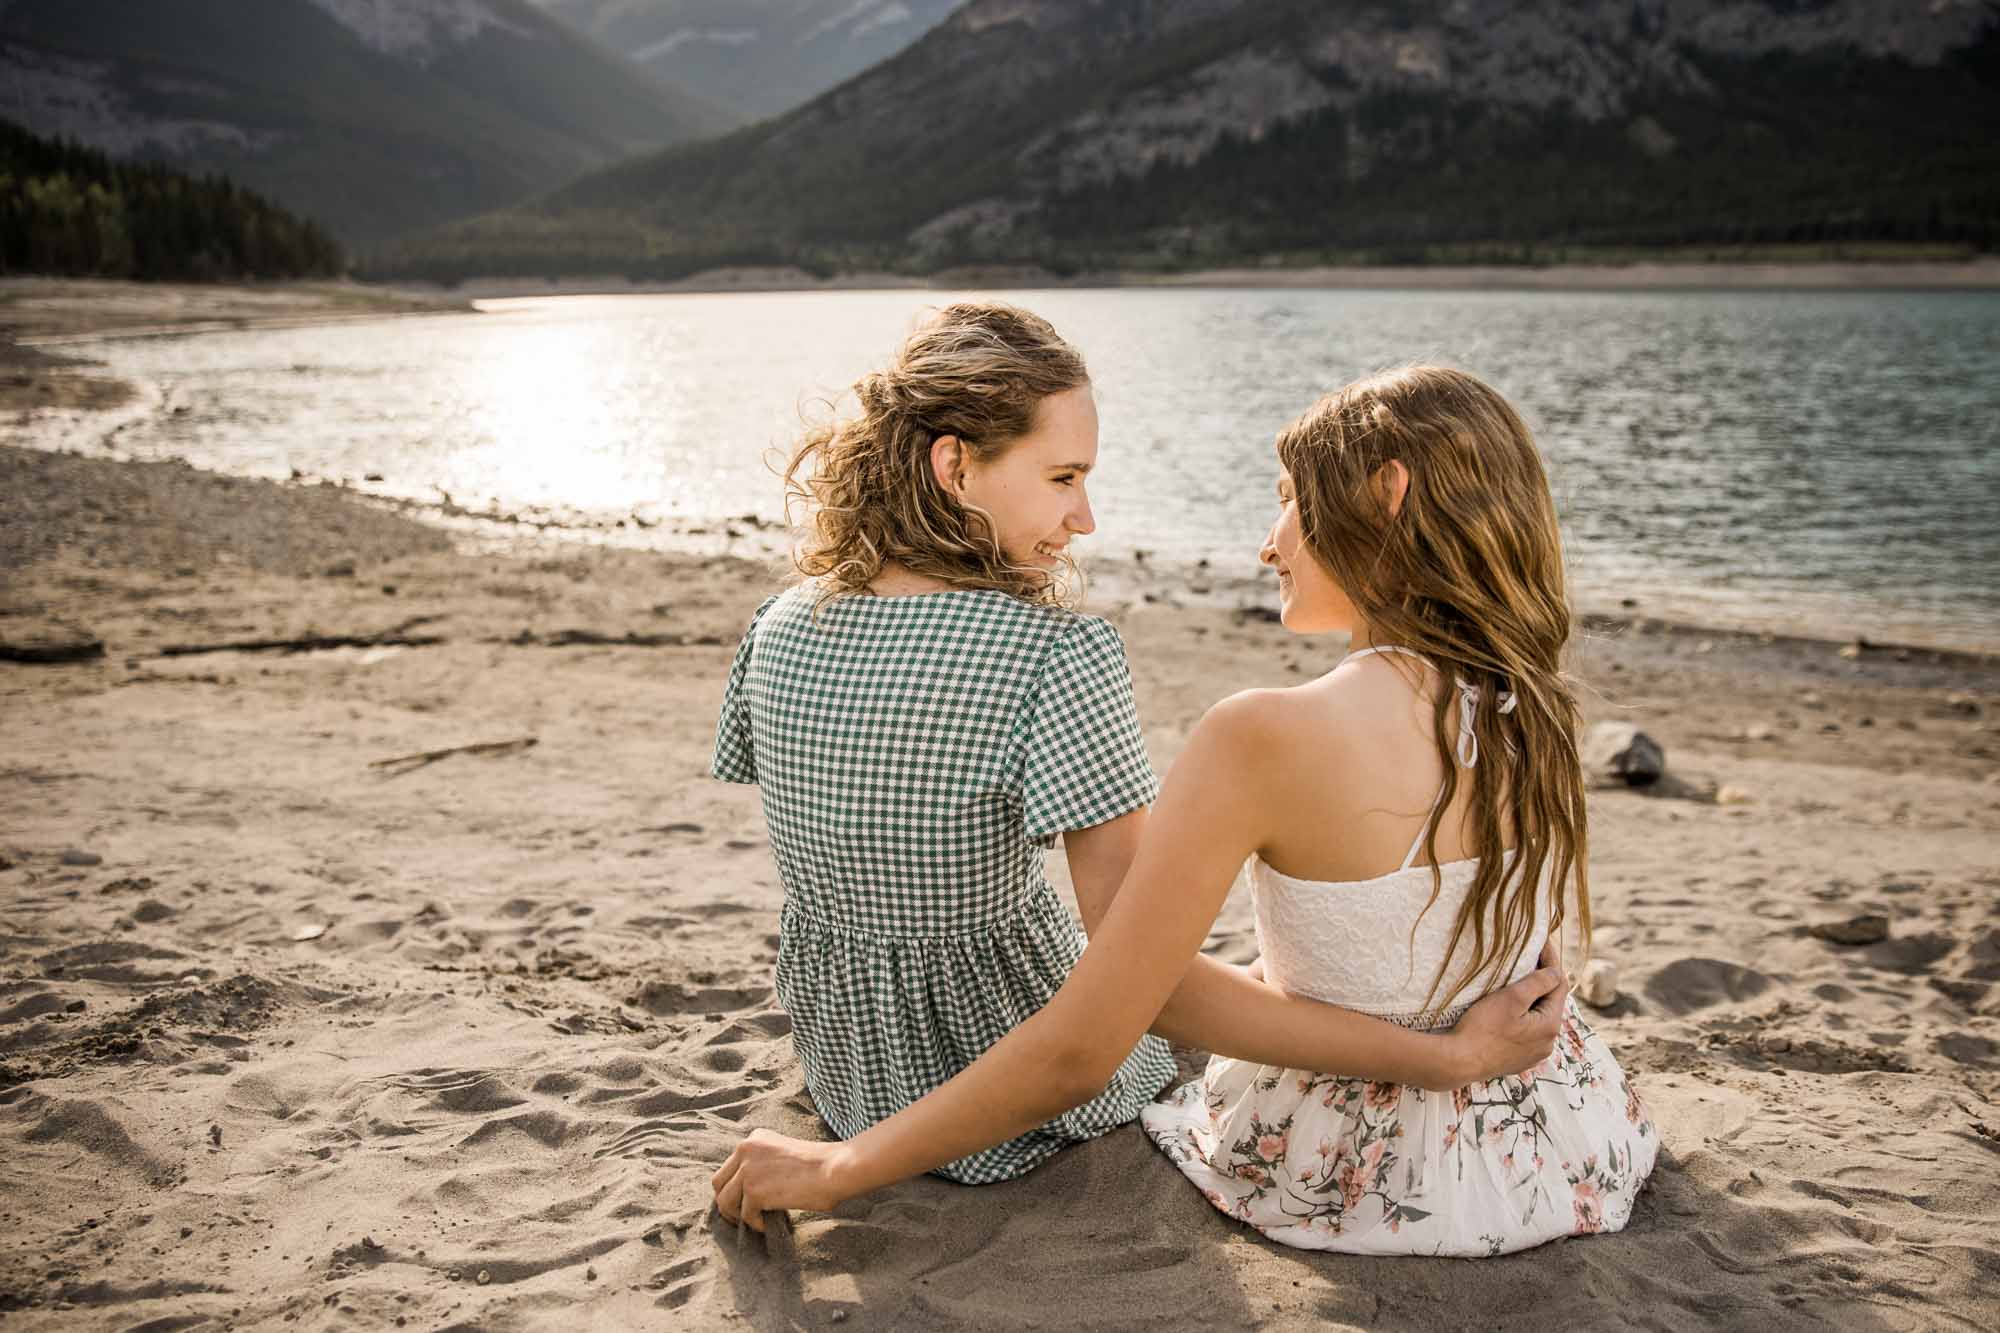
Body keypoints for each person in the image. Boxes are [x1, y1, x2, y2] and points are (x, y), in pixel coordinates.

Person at [712, 363, 1654, 1255]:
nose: (1269, 539)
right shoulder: (1537, 703)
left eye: (1288, 498)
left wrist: (840, 1167)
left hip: (1353, 1171)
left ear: (1386, 494)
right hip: (1563, 1136)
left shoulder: (1262, 734)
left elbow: (1103, 1029)